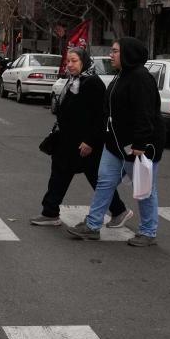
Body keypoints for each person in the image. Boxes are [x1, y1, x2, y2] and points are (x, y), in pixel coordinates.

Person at [66, 37, 163, 247]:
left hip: (138, 147)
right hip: (115, 146)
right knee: (104, 182)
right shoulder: (122, 75)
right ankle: (92, 226)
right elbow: (108, 112)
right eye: (112, 51)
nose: (111, 55)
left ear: (128, 54)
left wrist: (140, 144)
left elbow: (145, 114)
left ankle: (148, 232)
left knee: (144, 189)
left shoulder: (141, 78)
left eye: (116, 51)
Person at [31, 47, 132, 228]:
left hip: (84, 143)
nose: (69, 65)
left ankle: (119, 211)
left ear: (83, 61)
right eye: (68, 61)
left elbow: (99, 117)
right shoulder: (76, 81)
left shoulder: (92, 83)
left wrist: (90, 141)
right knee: (61, 175)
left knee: (90, 177)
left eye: (74, 61)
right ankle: (50, 212)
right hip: (68, 142)